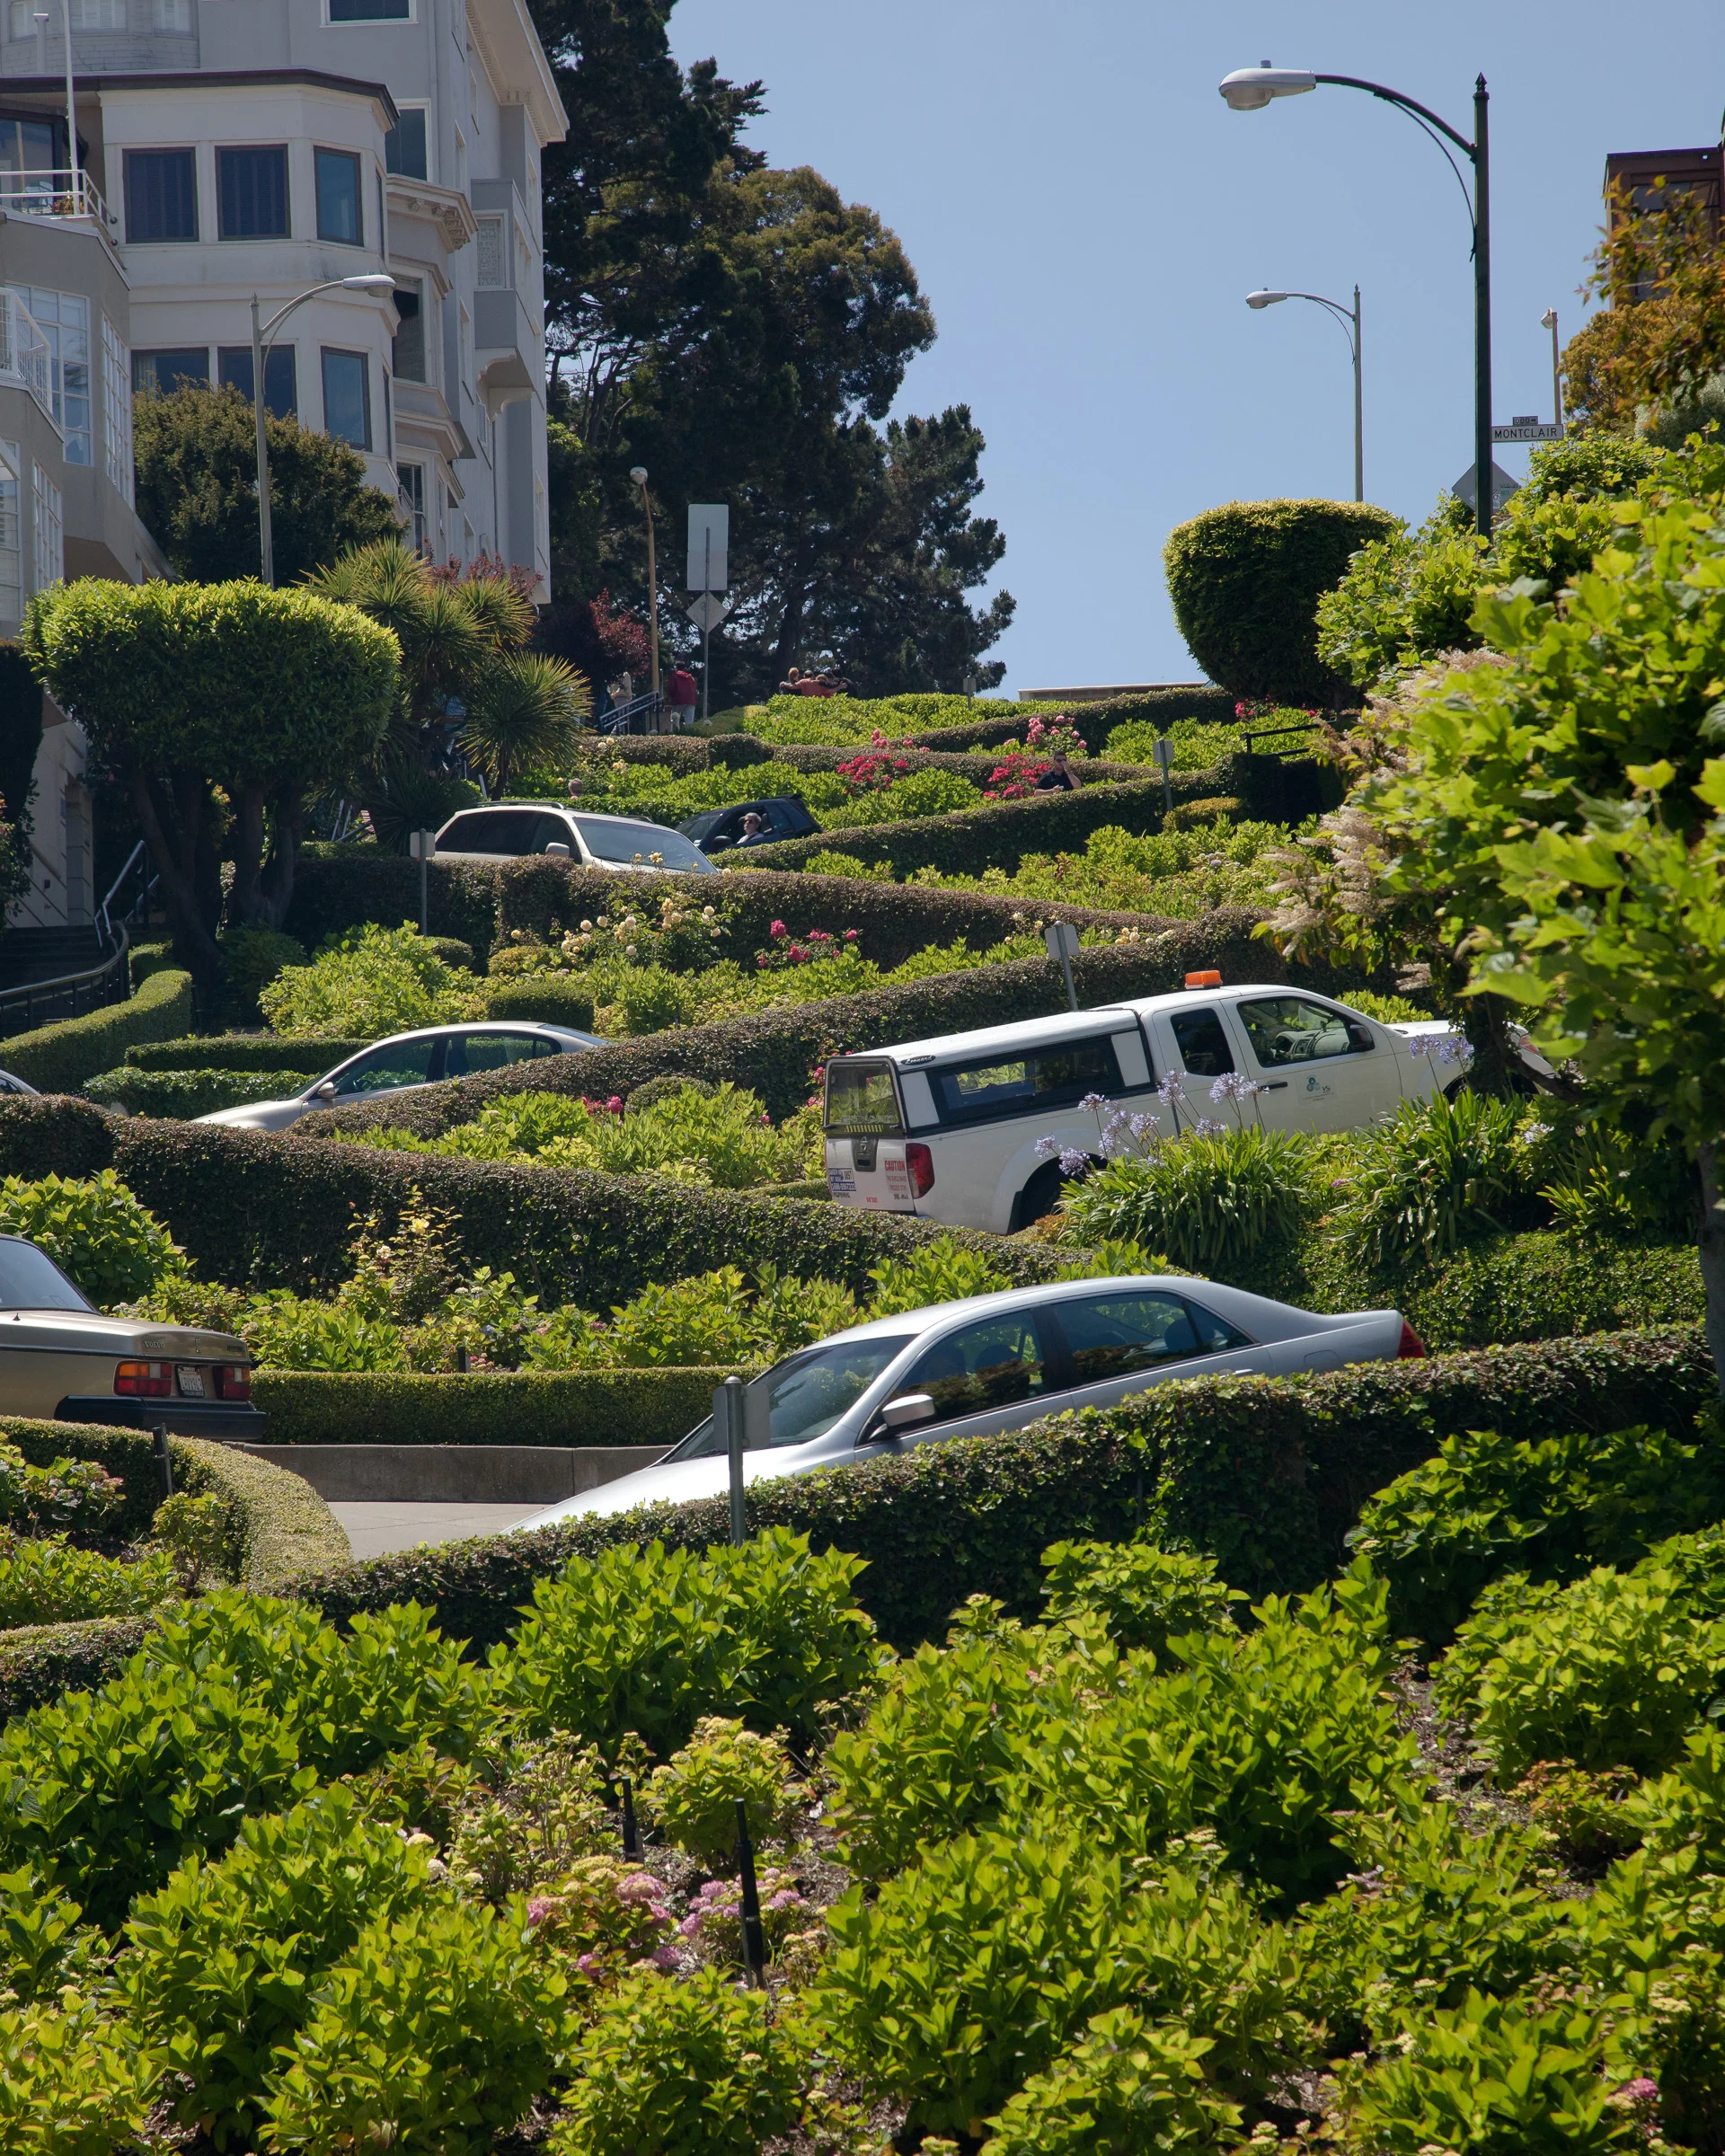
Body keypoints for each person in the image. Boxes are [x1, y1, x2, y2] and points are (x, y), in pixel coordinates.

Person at [667, 662, 698, 732]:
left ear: (676, 668)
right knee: (689, 722)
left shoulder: (674, 676)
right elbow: (694, 690)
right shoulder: (691, 678)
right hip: (691, 700)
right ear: (685, 668)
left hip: (678, 700)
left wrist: (671, 697)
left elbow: (671, 689)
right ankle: (690, 734)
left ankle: (675, 733)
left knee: (675, 719)